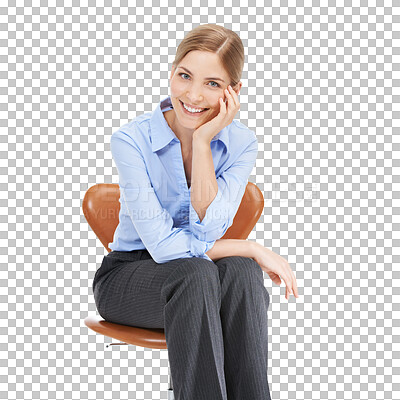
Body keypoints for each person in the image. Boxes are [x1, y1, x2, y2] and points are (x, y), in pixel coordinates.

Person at [92, 23, 299, 400]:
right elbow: (162, 248)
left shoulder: (241, 143)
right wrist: (250, 246)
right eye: (185, 76)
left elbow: (208, 232)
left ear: (233, 92)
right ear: (172, 72)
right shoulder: (131, 139)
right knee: (205, 269)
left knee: (238, 271)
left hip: (201, 277)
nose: (192, 94)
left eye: (213, 84)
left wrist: (203, 141)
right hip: (129, 277)